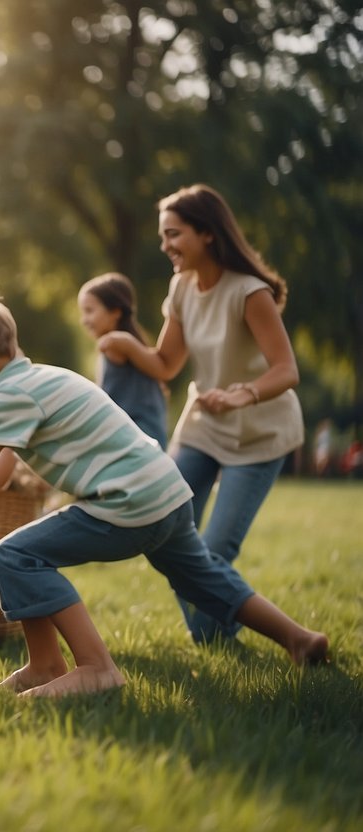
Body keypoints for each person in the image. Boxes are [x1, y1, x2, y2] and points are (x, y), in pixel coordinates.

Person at [0, 295, 328, 697]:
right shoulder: (36, 379)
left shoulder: (10, 395)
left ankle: (94, 667)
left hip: (129, 501)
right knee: (202, 578)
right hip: (166, 491)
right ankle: (299, 639)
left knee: (15, 554)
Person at [98, 184, 303, 644]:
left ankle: (214, 635)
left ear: (208, 233)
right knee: (158, 522)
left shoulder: (250, 293)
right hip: (202, 429)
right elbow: (167, 364)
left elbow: (286, 370)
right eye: (162, 237)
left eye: (175, 234)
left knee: (215, 547)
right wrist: (130, 345)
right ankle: (216, 632)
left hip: (259, 433)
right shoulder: (182, 287)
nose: (166, 246)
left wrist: (242, 394)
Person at [77, 273, 168, 449]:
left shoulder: (114, 343)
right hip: (149, 437)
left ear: (116, 312)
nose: (84, 320)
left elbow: (101, 398)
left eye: (89, 311)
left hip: (138, 438)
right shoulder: (135, 344)